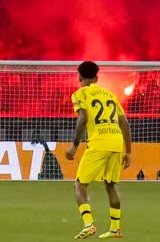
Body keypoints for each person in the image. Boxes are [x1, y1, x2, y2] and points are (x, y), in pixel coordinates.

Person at [64, 61, 131, 239]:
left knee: (80, 184)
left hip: (99, 142)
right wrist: (129, 152)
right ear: (97, 77)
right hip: (116, 141)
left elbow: (83, 118)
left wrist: (74, 145)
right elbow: (124, 123)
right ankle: (115, 229)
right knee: (111, 185)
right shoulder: (110, 95)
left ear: (79, 77)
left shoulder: (80, 94)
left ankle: (89, 224)